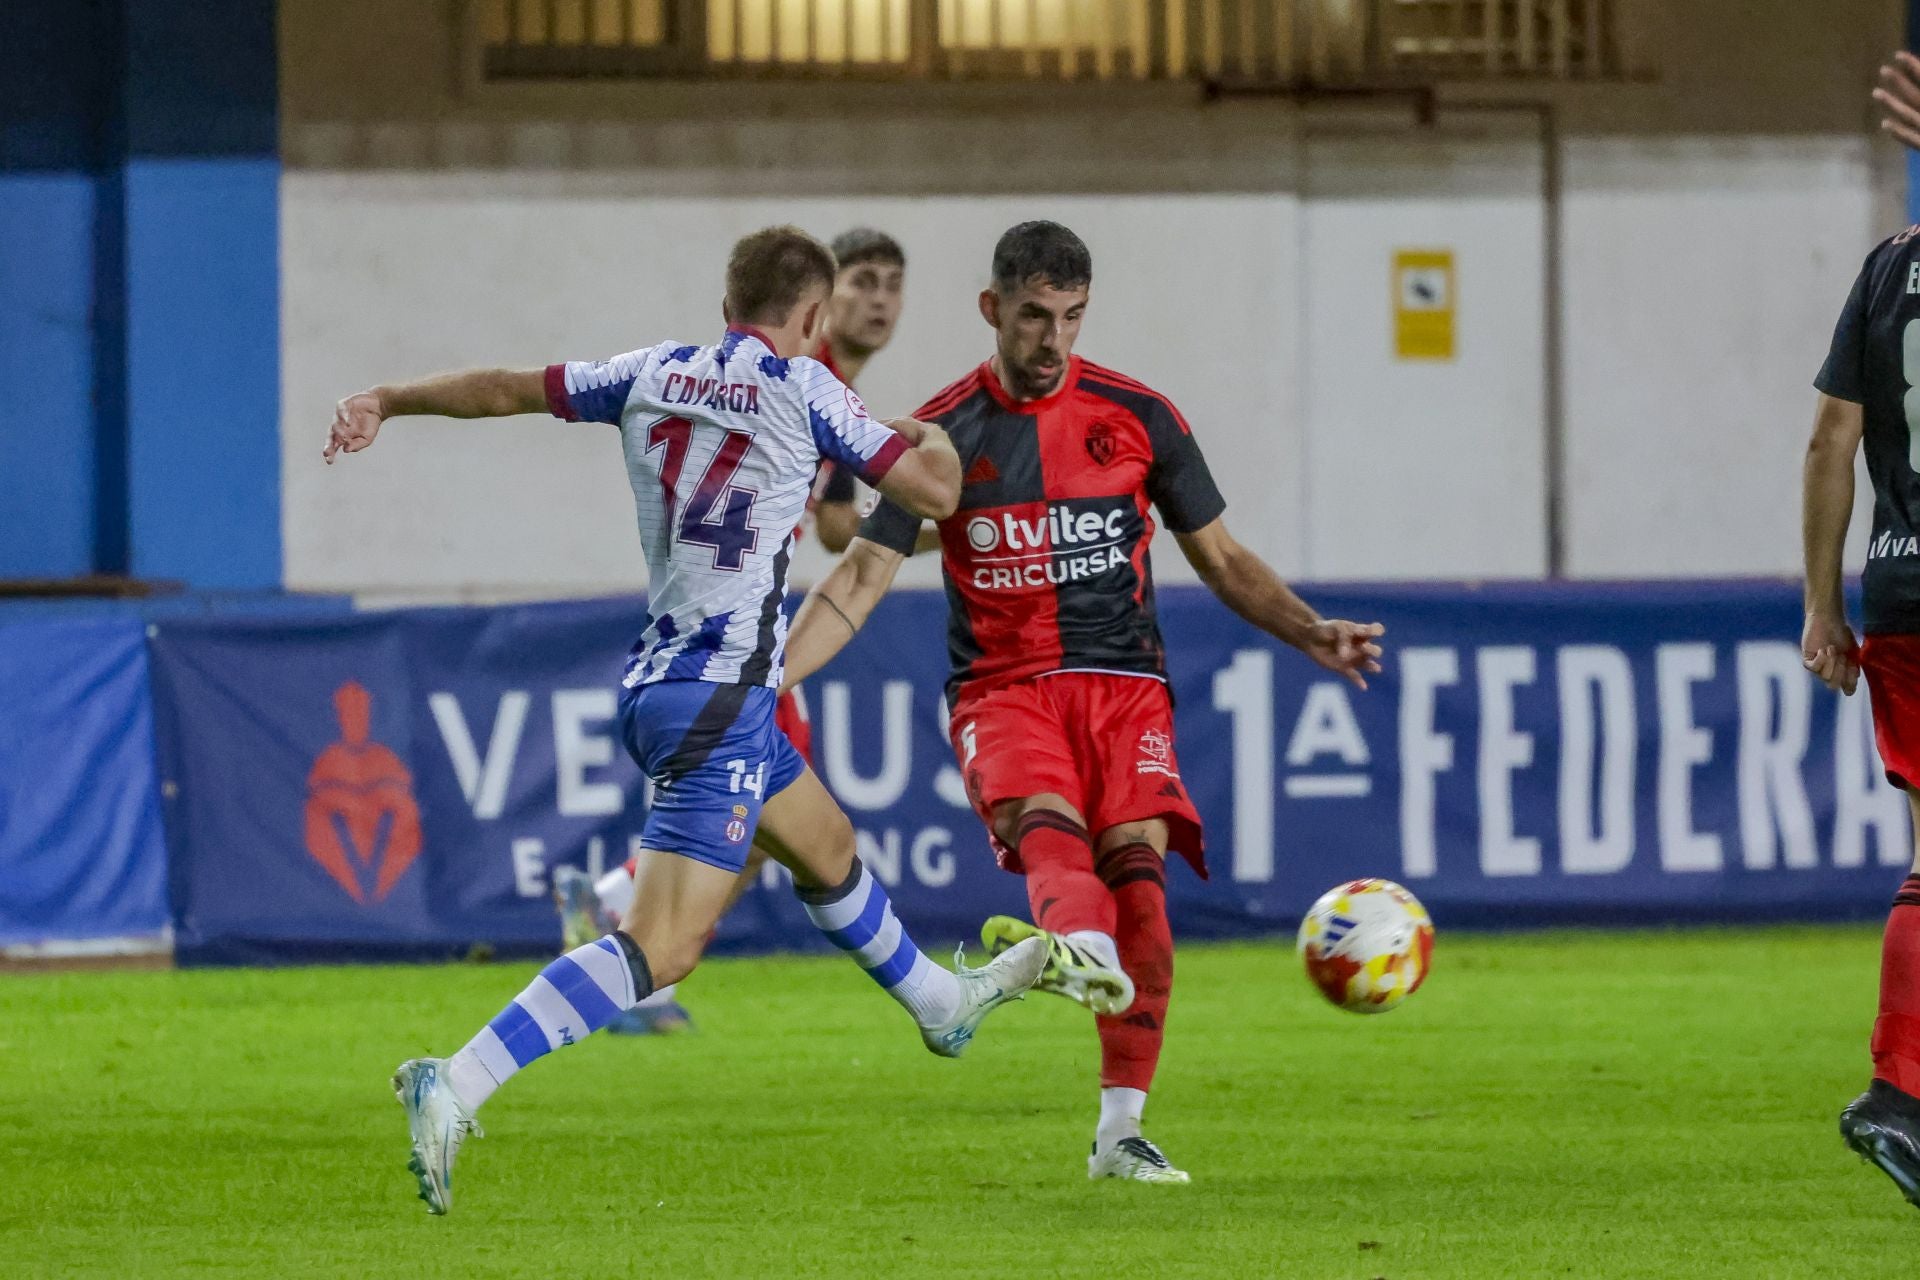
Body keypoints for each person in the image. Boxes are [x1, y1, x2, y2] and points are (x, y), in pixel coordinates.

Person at [325, 225, 1049, 1215]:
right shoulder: (806, 385)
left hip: (672, 684)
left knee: (826, 842)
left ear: (726, 305)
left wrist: (389, 399)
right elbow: (934, 493)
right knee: (663, 948)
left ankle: (939, 1003)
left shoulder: (653, 369)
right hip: (719, 696)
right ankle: (457, 1078)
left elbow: (507, 385)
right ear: (813, 317)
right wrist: (931, 433)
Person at [780, 221, 1385, 1184]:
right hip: (1004, 687)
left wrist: (1310, 631)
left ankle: (1120, 1131)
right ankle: (1079, 943)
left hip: (1125, 685)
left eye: (1069, 317)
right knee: (1048, 827)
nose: (1051, 338)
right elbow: (856, 577)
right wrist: (772, 674)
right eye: (1031, 316)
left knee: (1140, 881)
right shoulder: (936, 438)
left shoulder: (1139, 416)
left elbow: (1220, 559)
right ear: (993, 310)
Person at [549, 226, 912, 1033]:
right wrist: (932, 520)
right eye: (862, 282)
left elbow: (831, 521)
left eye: (893, 283)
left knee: (776, 823)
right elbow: (841, 528)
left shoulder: (816, 388)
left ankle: (623, 912)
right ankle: (626, 919)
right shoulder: (807, 387)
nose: (879, 299)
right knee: (781, 817)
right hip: (737, 642)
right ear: (821, 304)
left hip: (735, 633)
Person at [1803, 209, 1920, 1209]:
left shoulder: (1887, 269)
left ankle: (1901, 1089)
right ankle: (1897, 1094)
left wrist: (1822, 604)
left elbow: (1829, 440)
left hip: (1901, 597)